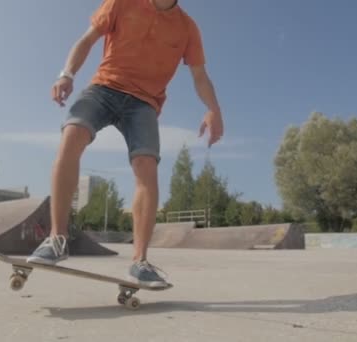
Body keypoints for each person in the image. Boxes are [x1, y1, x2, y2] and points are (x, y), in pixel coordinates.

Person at [27, 0, 224, 288]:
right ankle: (56, 239)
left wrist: (214, 110)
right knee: (72, 135)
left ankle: (140, 262)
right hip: (104, 88)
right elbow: (87, 39)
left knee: (147, 167)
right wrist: (67, 74)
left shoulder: (188, 28)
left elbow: (199, 75)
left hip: (144, 104)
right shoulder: (122, 2)